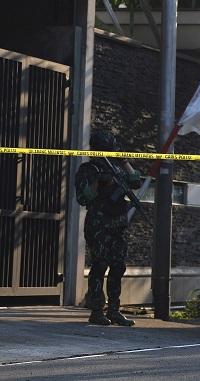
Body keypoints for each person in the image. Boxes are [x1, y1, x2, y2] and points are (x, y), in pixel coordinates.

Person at [74, 130, 141, 326]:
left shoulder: (117, 167)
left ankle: (114, 310)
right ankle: (96, 310)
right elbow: (83, 197)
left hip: (117, 224)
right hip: (99, 225)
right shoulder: (89, 169)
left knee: (118, 267)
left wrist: (125, 161)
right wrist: (98, 182)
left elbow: (135, 181)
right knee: (100, 266)